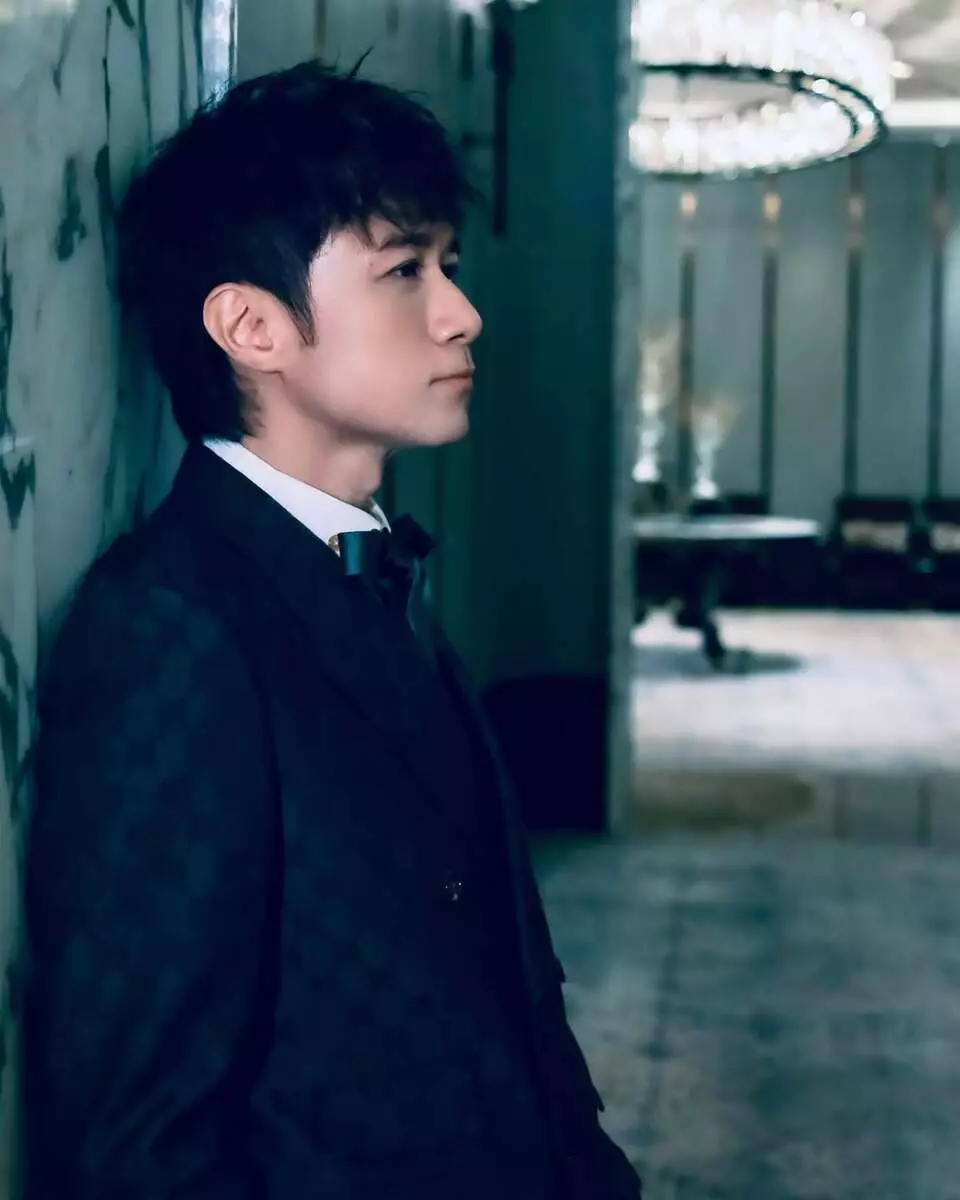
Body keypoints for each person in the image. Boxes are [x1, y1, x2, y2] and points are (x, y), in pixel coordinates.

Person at [23, 61, 641, 1200]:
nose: (462, 313)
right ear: (251, 325)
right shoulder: (171, 630)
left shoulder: (366, 566)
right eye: (405, 269)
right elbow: (137, 1144)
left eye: (449, 265)